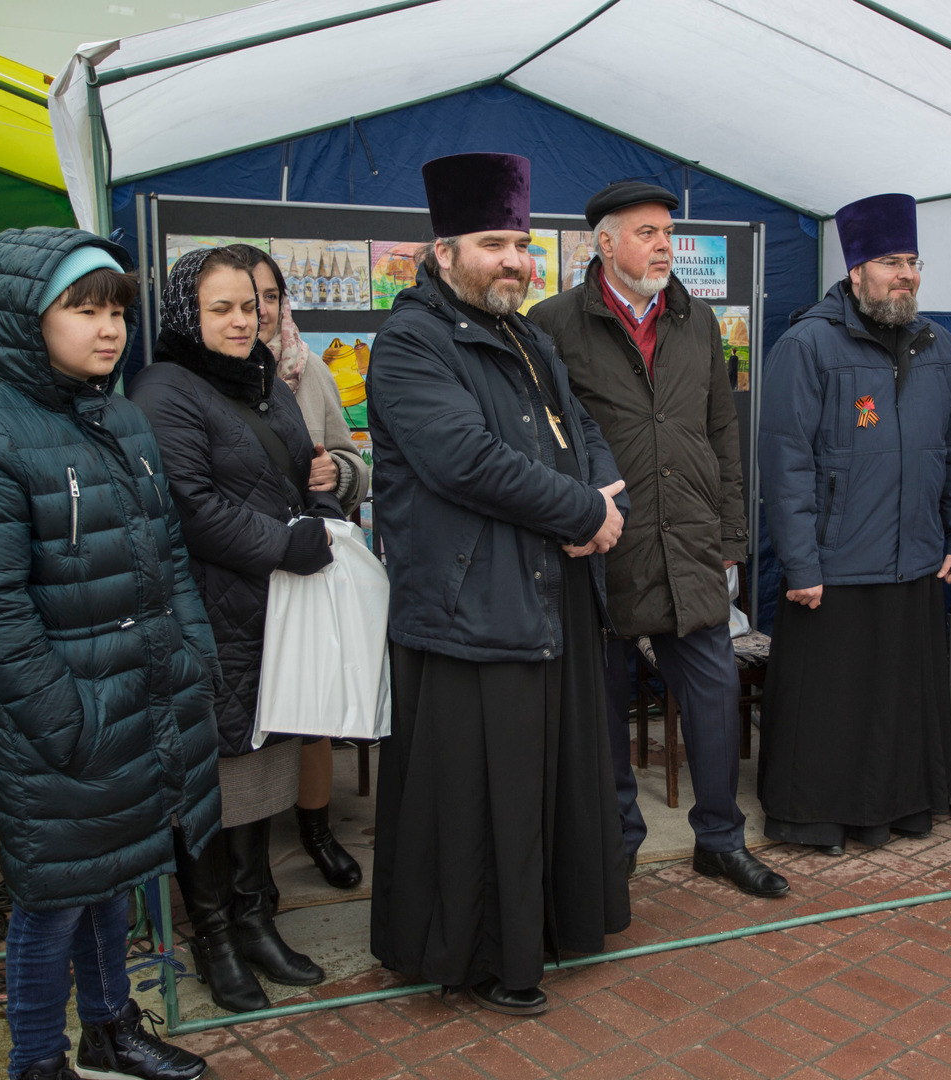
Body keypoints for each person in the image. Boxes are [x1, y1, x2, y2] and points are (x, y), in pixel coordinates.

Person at [0, 227, 216, 1080]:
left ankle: (109, 1030)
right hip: (64, 720)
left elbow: (169, 555)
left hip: (138, 697)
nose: (109, 328)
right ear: (26, 318)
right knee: (52, 901)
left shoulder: (120, 416)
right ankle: (36, 1061)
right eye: (83, 310)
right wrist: (69, 721)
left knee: (113, 875)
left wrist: (192, 655)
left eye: (117, 310)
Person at [368, 153, 630, 1016]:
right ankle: (484, 959)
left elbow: (582, 426)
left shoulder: (526, 334)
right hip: (470, 610)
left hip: (547, 594)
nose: (513, 261)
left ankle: (550, 929)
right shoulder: (411, 342)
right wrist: (584, 512)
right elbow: (465, 462)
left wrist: (606, 492)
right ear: (444, 252)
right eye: (493, 245)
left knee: (547, 783)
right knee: (484, 798)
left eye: (521, 245)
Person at [529, 181, 786, 898]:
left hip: (692, 539)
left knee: (713, 692)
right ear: (605, 243)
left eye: (668, 233)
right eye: (647, 233)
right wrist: (568, 521)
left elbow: (721, 430)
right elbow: (544, 440)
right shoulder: (553, 323)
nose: (664, 246)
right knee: (603, 702)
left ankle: (721, 840)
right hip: (603, 542)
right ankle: (618, 843)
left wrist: (731, 532)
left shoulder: (696, 320)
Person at [129, 247, 338, 1013]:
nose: (243, 320)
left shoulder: (263, 380)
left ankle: (254, 920)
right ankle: (214, 938)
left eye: (251, 306)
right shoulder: (164, 390)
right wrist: (286, 544)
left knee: (257, 770)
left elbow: (302, 472)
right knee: (212, 780)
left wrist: (325, 508)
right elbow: (189, 506)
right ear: (188, 313)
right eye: (221, 308)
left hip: (268, 614)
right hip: (207, 615)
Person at [758, 192, 951, 853]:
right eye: (891, 262)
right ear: (856, 271)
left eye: (913, 262)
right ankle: (815, 818)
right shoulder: (807, 345)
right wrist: (801, 563)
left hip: (916, 559)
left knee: (900, 702)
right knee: (829, 705)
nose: (906, 275)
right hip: (833, 567)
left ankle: (902, 808)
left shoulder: (942, 348)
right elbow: (786, 463)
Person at [227, 243, 368, 891]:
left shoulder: (308, 370)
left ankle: (317, 830)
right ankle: (246, 863)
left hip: (304, 565)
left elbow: (353, 459)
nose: (259, 310)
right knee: (247, 714)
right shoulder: (199, 379)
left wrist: (337, 471)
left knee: (308, 706)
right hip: (238, 568)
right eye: (244, 298)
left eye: (270, 296)